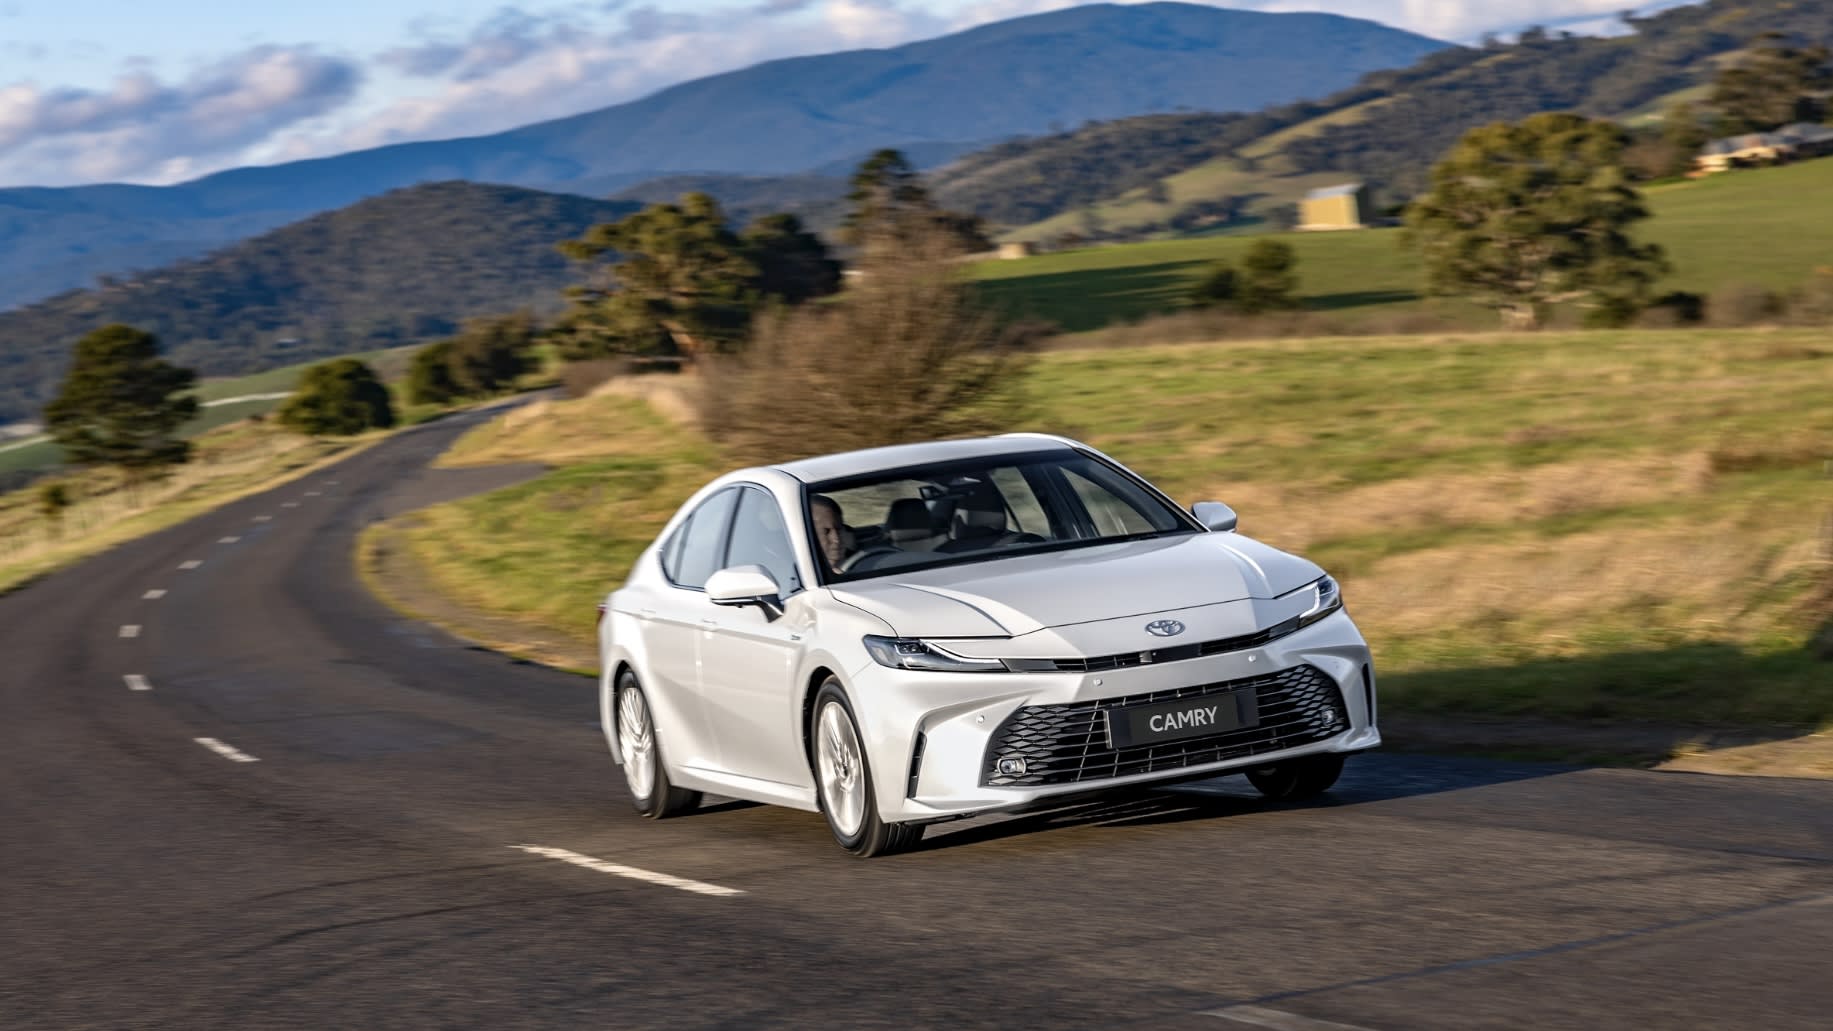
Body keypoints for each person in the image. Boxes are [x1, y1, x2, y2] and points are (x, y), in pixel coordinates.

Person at [809, 494, 856, 572]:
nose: (836, 539)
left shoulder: (865, 562)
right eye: (826, 531)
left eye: (839, 529)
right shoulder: (804, 573)